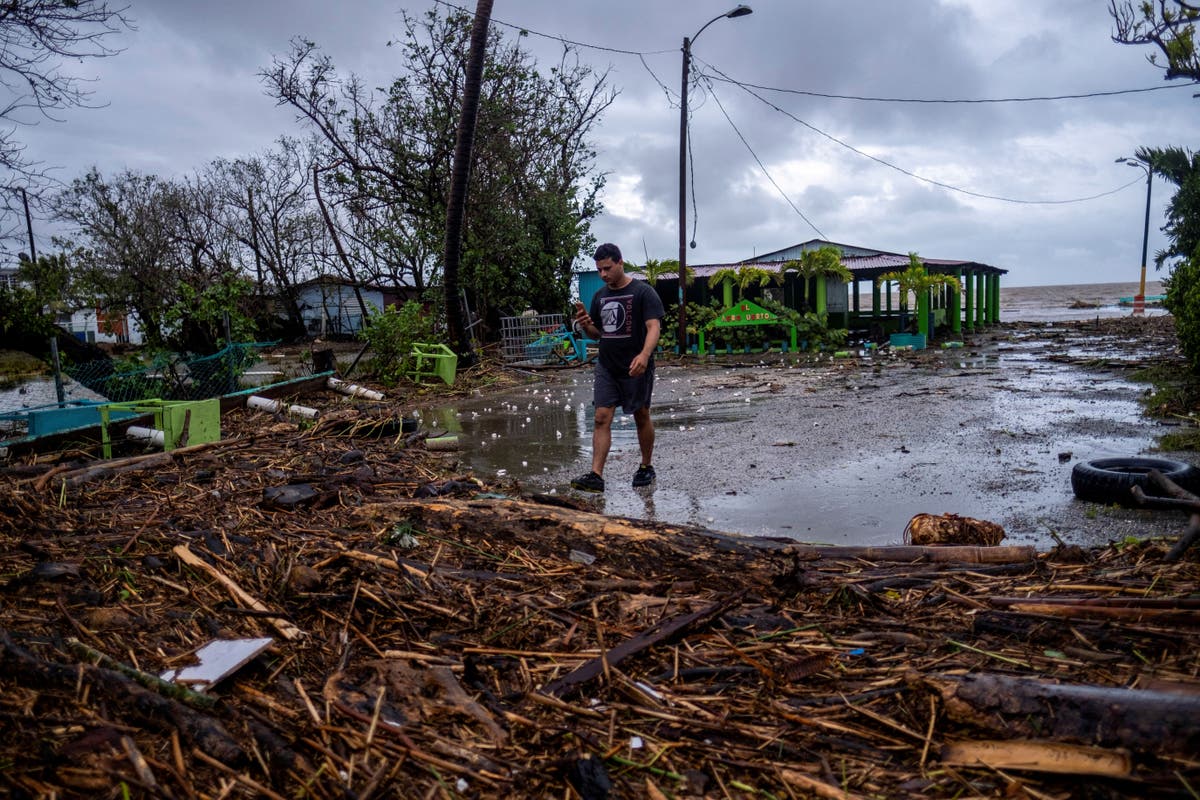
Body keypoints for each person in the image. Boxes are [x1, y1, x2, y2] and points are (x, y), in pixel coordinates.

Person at [570, 242, 665, 492]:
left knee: (641, 414)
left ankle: (646, 467)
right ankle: (596, 475)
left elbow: (654, 327)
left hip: (636, 365)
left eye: (608, 268)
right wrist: (584, 323)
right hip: (607, 366)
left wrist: (645, 355)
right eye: (599, 269)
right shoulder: (600, 296)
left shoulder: (643, 292)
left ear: (620, 263)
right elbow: (597, 334)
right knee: (601, 417)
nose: (603, 274)